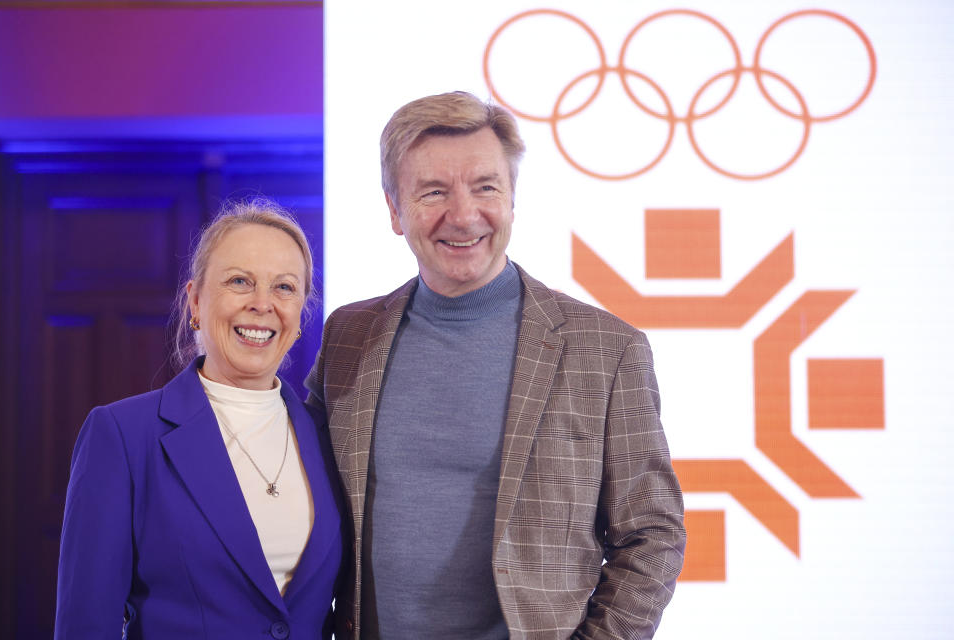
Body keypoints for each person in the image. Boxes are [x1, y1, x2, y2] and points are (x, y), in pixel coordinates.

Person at [305, 91, 685, 639]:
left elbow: (653, 534)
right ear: (393, 210)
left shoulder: (606, 349)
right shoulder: (347, 336)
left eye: (486, 187)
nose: (463, 215)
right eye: (434, 192)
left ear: (512, 198)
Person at [55, 199, 343, 639]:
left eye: (284, 287)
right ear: (195, 301)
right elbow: (86, 626)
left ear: (301, 313)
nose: (262, 304)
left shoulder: (328, 435)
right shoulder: (123, 436)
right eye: (239, 281)